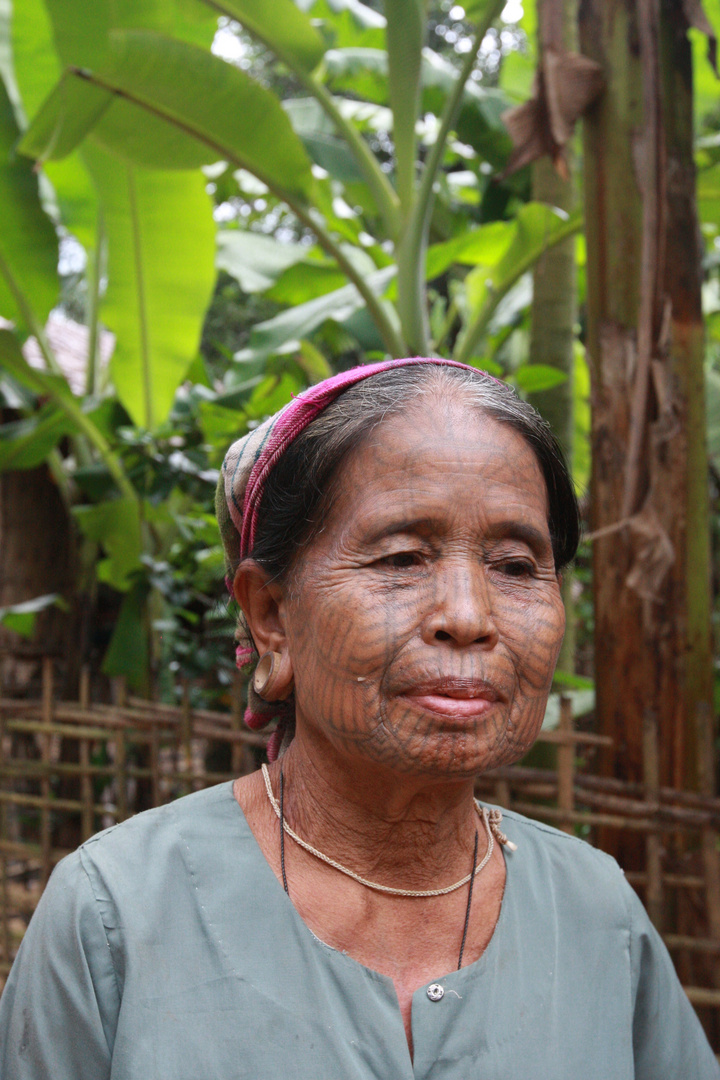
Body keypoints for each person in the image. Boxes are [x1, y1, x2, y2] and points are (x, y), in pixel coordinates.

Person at [0, 356, 717, 1079]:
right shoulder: (114, 914)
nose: (468, 617)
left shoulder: (596, 914)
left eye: (516, 566)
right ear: (271, 617)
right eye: (402, 558)